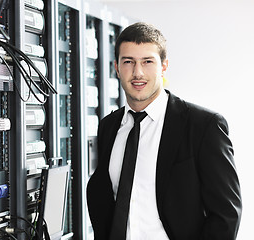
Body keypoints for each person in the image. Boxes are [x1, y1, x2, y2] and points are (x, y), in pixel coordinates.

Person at [86, 22, 242, 240]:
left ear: (164, 66)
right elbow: (104, 200)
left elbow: (226, 215)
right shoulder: (109, 126)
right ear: (117, 68)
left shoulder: (203, 126)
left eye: (147, 61)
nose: (137, 72)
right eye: (128, 62)